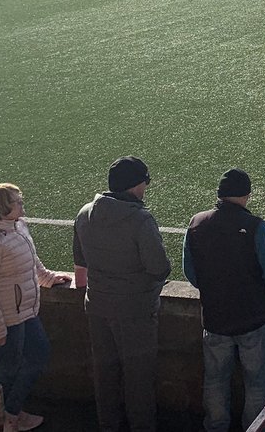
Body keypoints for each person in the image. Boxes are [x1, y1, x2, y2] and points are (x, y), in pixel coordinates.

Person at [73, 156, 171, 432]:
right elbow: (158, 267)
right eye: (144, 184)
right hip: (135, 311)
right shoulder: (140, 220)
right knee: (138, 379)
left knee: (105, 376)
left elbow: (80, 261)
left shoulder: (84, 214)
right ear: (134, 186)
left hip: (97, 306)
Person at [183, 169, 265, 432]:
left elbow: (191, 274)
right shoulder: (257, 227)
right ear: (246, 195)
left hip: (215, 318)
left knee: (215, 380)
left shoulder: (196, 223)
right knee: (257, 382)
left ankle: (216, 427)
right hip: (254, 318)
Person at [0, 183, 71, 432]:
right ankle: (8, 418)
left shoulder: (16, 227)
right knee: (9, 369)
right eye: (18, 202)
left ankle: (9, 414)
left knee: (37, 355)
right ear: (3, 208)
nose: (23, 205)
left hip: (24, 310)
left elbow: (30, 259)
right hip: (7, 318)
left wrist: (47, 278)